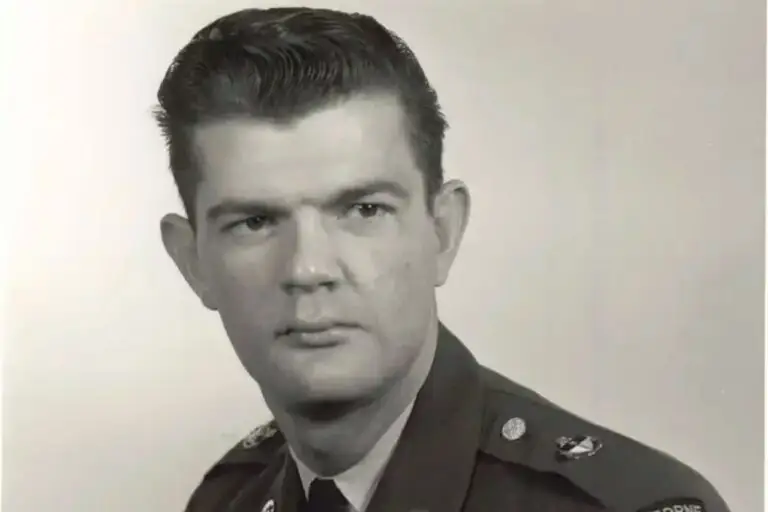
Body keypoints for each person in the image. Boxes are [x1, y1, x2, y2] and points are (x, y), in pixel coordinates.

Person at [153, 6, 732, 512]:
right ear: (193, 261)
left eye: (363, 210)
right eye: (255, 222)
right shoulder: (228, 500)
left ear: (442, 231)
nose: (308, 269)